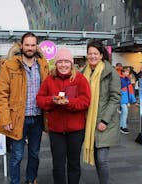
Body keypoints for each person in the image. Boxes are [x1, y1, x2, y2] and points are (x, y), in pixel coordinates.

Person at [0, 32, 49, 184]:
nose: (30, 48)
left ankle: (31, 180)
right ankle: (15, 182)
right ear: (21, 45)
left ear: (36, 47)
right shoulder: (10, 65)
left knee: (34, 154)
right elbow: (1, 94)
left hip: (38, 117)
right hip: (18, 118)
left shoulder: (43, 65)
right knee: (17, 155)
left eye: (33, 45)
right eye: (27, 45)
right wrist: (5, 119)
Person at [36, 48, 91, 184]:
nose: (63, 65)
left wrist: (69, 102)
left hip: (76, 130)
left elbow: (85, 101)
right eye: (60, 61)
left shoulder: (80, 79)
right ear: (56, 63)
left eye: (66, 61)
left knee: (74, 163)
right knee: (58, 165)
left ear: (71, 63)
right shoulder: (49, 79)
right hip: (56, 131)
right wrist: (52, 100)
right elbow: (40, 99)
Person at [82, 40, 121, 184]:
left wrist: (104, 120)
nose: (92, 56)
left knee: (102, 159)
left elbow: (115, 97)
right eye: (90, 53)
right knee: (99, 158)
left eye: (95, 53)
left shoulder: (110, 72)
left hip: (104, 122)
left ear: (101, 55)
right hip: (88, 122)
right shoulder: (83, 72)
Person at [118, 67, 136, 134]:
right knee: (125, 112)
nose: (127, 73)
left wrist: (131, 100)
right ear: (123, 72)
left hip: (125, 98)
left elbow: (130, 90)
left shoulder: (126, 79)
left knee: (124, 112)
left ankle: (122, 126)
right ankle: (123, 127)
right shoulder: (121, 79)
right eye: (126, 71)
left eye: (128, 72)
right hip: (122, 98)